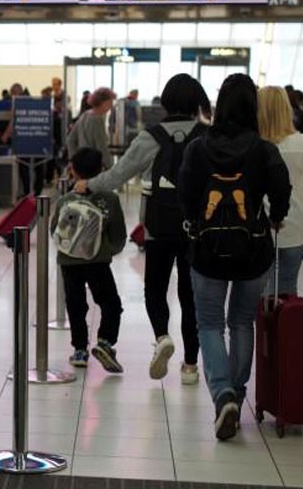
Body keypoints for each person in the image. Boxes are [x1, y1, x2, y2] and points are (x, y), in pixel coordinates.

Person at [178, 73, 290, 441]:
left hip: (207, 249)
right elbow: (281, 188)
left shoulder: (198, 147)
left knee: (209, 324)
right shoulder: (264, 150)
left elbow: (186, 193)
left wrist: (196, 219)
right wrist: (274, 217)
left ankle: (223, 392)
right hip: (253, 247)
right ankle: (236, 396)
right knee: (242, 322)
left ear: (220, 104)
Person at [74, 74, 207, 384]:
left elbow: (119, 175)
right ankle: (190, 366)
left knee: (155, 289)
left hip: (159, 226)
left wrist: (87, 184)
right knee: (191, 296)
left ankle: (162, 337)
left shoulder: (152, 136)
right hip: (198, 230)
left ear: (166, 101)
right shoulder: (207, 136)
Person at [53, 147, 127, 372]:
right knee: (110, 303)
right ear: (101, 171)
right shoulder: (109, 199)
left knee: (75, 305)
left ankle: (80, 350)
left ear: (72, 170)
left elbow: (54, 230)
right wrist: (107, 251)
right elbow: (119, 236)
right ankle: (105, 341)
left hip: (69, 262)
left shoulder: (65, 200)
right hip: (98, 261)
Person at [258, 86, 303, 296]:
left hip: (260, 231)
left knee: (261, 294)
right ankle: (287, 328)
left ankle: (263, 329)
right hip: (296, 230)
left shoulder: (254, 146)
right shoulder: (301, 143)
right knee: (287, 289)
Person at [67, 87, 116, 169]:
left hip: (81, 164)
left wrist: (73, 160)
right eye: (110, 102)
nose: (111, 106)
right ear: (103, 102)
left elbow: (71, 140)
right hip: (93, 165)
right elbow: (102, 146)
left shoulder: (84, 115)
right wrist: (111, 168)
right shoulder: (97, 119)